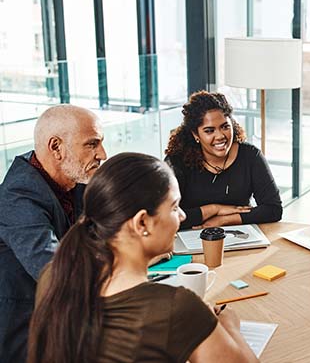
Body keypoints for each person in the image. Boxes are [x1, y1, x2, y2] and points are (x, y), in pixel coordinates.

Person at [28, 153, 258, 363]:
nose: (183, 215)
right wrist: (229, 328)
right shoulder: (176, 308)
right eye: (174, 207)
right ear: (142, 223)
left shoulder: (54, 275)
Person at [0, 105, 107, 363]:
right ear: (56, 148)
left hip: (70, 318)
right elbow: (56, 270)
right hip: (27, 333)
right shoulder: (16, 197)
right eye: (91, 144)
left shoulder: (74, 180)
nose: (102, 154)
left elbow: (109, 231)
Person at [165, 91, 282, 230]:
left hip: (239, 237)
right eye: (209, 131)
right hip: (189, 239)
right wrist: (214, 209)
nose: (220, 136)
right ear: (196, 134)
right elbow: (165, 218)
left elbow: (273, 209)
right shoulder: (177, 162)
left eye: (225, 127)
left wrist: (224, 220)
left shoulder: (250, 156)